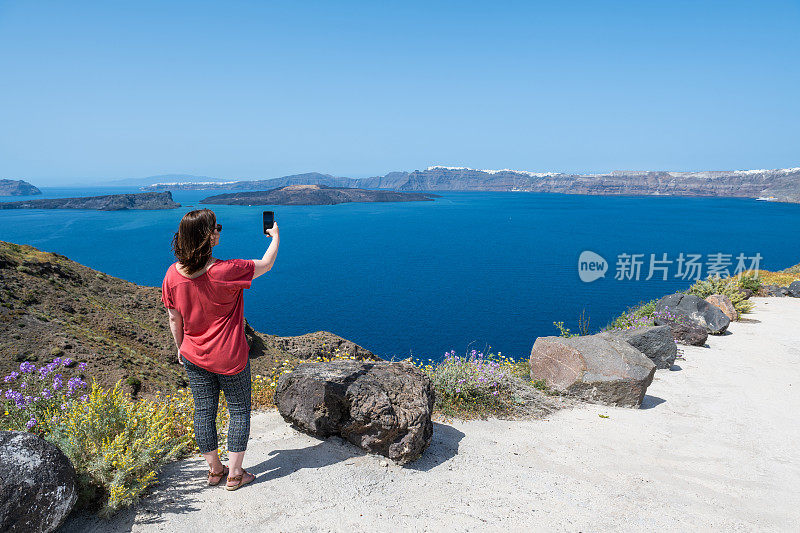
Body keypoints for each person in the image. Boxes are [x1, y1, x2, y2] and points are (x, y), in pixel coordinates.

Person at [161, 208, 279, 490]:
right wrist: (275, 237)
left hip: (193, 354)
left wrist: (181, 348)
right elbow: (266, 263)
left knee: (203, 410)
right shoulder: (226, 270)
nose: (219, 231)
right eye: (216, 228)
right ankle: (236, 474)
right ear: (206, 236)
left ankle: (215, 471)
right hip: (230, 357)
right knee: (239, 411)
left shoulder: (172, 275)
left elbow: (174, 318)